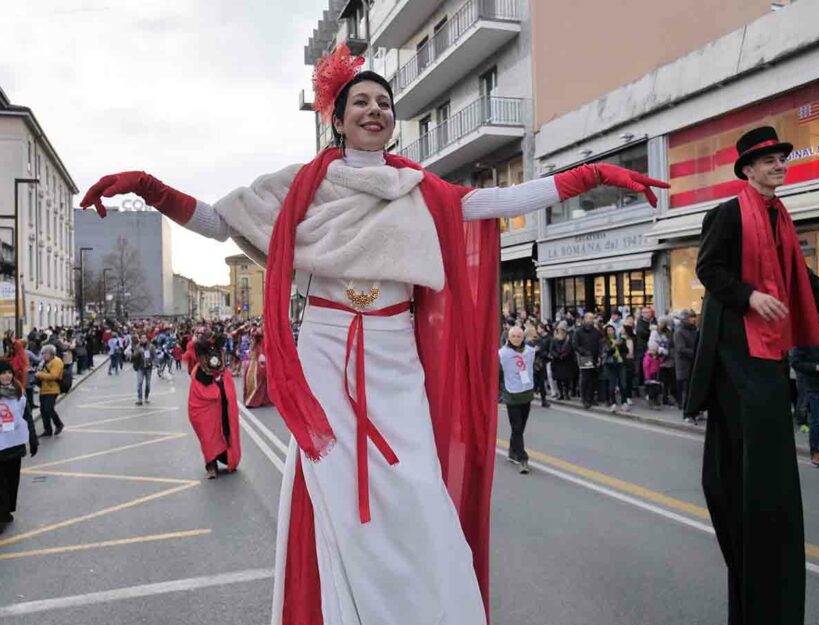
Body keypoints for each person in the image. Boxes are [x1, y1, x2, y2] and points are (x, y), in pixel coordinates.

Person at [81, 43, 668, 625]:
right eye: (358, 101)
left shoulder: (421, 191)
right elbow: (217, 221)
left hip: (394, 354)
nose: (373, 110)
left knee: (415, 490)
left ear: (392, 119)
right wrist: (150, 188)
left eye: (383, 102)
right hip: (324, 349)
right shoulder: (298, 188)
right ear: (336, 119)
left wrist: (588, 176)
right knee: (330, 495)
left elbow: (495, 201)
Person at [686, 126, 819, 625]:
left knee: (772, 478)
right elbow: (708, 268)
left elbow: (804, 283)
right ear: (747, 169)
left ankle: (772, 572)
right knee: (749, 470)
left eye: (781, 158)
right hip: (735, 353)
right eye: (768, 160)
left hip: (769, 355)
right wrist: (749, 295)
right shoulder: (728, 214)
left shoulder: (783, 220)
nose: (778, 165)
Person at [188, 331, 241, 479]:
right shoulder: (198, 374)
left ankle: (224, 456)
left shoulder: (224, 373)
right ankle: (211, 464)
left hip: (222, 410)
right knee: (208, 435)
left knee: (224, 432)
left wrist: (221, 389)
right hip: (208, 414)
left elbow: (229, 394)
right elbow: (196, 404)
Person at [0, 359, 36, 534]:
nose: (6, 376)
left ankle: (6, 511)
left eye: (9, 372)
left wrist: (33, 439)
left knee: (12, 481)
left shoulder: (18, 393)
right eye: (3, 373)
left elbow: (26, 417)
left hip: (14, 445)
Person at [790, 317, 819, 468]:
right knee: (817, 421)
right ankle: (815, 452)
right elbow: (795, 362)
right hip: (815, 388)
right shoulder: (805, 341)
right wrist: (816, 367)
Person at [499, 326, 535, 474]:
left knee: (520, 427)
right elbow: (496, 372)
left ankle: (512, 451)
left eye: (519, 336)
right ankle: (522, 458)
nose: (516, 339)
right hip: (511, 395)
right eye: (513, 336)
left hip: (526, 393)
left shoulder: (530, 352)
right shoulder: (502, 353)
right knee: (517, 427)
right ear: (508, 337)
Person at [573, 311, 602, 409]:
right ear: (584, 319)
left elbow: (599, 344)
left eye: (592, 318)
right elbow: (575, 345)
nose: (590, 320)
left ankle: (591, 398)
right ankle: (584, 398)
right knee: (585, 378)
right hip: (584, 357)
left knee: (593, 378)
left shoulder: (596, 331)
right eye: (589, 318)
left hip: (594, 356)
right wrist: (584, 352)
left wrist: (599, 356)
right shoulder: (578, 331)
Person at [674, 309, 699, 423]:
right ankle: (686, 413)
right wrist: (696, 352)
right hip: (684, 365)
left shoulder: (695, 330)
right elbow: (680, 349)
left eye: (694, 317)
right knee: (687, 390)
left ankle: (695, 411)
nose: (694, 319)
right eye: (691, 317)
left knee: (694, 389)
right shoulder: (679, 332)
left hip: (694, 363)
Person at [35, 345, 64, 437]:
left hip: (53, 389)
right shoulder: (44, 362)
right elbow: (40, 372)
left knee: (49, 408)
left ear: (51, 353)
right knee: (43, 410)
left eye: (45, 353)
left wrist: (39, 374)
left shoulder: (57, 361)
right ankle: (47, 430)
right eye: (42, 353)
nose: (43, 355)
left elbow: (53, 376)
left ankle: (59, 424)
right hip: (43, 389)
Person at [601, 325, 630, 413]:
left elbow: (626, 350)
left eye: (612, 330)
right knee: (612, 384)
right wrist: (613, 345)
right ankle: (613, 402)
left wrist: (621, 345)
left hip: (621, 363)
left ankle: (624, 402)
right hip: (610, 364)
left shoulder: (620, 339)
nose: (611, 332)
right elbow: (607, 351)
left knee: (623, 383)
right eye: (609, 330)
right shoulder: (604, 341)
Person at [243, 327, 271, 408]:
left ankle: (261, 400)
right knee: (257, 381)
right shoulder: (256, 341)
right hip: (255, 362)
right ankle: (253, 400)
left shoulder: (262, 341)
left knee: (262, 382)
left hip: (259, 362)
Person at [549, 323, 576, 401]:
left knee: (567, 379)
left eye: (562, 330)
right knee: (559, 379)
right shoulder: (554, 339)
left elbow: (570, 349)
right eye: (559, 330)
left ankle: (567, 393)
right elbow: (551, 350)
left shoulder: (568, 339)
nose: (561, 332)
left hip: (566, 362)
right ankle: (560, 393)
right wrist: (557, 355)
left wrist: (564, 355)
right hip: (557, 362)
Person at [131, 334, 155, 405]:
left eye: (145, 338)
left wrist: (154, 363)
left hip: (148, 368)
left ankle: (146, 397)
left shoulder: (151, 346)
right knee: (140, 382)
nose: (143, 339)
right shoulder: (137, 347)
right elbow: (133, 357)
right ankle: (140, 399)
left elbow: (154, 356)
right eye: (142, 338)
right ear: (140, 339)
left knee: (148, 384)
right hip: (140, 368)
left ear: (147, 339)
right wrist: (137, 352)